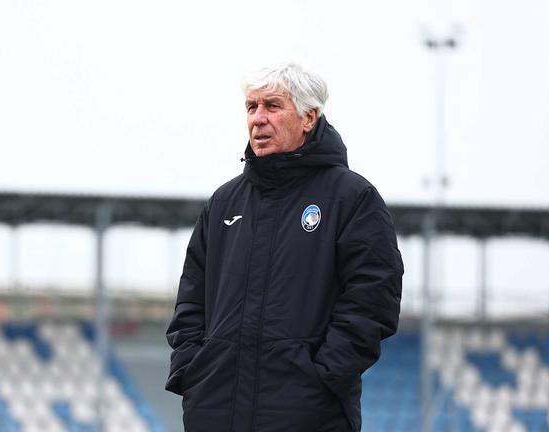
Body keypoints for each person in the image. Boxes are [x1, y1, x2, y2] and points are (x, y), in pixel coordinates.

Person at [165, 63, 403, 432]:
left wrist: (321, 376)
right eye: (251, 107)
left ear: (309, 117)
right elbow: (191, 300)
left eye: (272, 106)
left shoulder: (352, 198)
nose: (258, 119)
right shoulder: (224, 203)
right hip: (216, 411)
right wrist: (194, 371)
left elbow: (374, 299)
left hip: (309, 415)